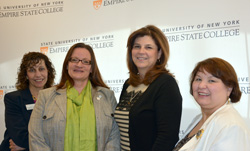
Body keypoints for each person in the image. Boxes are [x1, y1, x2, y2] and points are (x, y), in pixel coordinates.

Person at [28, 43, 120, 151]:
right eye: (74, 60)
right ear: (67, 65)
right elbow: (36, 137)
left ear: (91, 68)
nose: (79, 65)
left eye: (85, 61)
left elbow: (114, 136)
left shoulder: (108, 96)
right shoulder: (46, 96)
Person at [114, 25, 183, 151]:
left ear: (159, 53)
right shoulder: (128, 84)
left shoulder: (165, 84)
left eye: (148, 47)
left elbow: (167, 137)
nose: (141, 51)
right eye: (137, 46)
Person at [173, 57, 250, 151]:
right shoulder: (198, 119)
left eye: (211, 80)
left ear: (229, 88)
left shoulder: (232, 127)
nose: (201, 85)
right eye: (198, 79)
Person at [0, 52, 56, 151]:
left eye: (41, 69)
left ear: (48, 71)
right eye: (32, 70)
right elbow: (19, 136)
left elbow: (60, 132)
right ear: (26, 74)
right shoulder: (13, 99)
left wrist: (28, 145)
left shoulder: (57, 98)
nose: (38, 74)